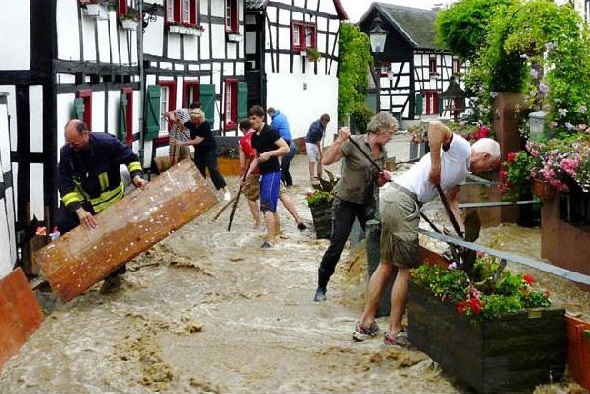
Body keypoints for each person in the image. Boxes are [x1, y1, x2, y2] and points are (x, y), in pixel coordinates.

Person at [352, 120, 501, 346]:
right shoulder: (461, 148)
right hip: (403, 200)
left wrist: (460, 232)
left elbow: (451, 200)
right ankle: (393, 332)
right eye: (490, 167)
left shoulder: (461, 171)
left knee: (386, 264)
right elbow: (434, 126)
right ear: (485, 157)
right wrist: (436, 164)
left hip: (393, 197)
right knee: (406, 268)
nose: (487, 171)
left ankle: (366, 324)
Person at [313, 112, 399, 302]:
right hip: (345, 202)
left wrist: (382, 180)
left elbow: (377, 182)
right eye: (390, 133)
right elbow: (326, 161)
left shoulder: (382, 152)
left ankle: (378, 290)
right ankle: (322, 286)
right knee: (337, 246)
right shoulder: (354, 143)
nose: (391, 137)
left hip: (367, 201)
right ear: (379, 130)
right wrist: (339, 140)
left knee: (378, 240)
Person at [56, 119, 148, 293]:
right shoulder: (66, 152)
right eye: (68, 143)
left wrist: (136, 176)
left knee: (113, 238)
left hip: (110, 199)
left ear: (85, 134)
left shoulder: (107, 143)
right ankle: (74, 271)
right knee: (63, 221)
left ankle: (114, 278)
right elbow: (64, 184)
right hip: (84, 202)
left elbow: (132, 159)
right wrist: (79, 210)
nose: (71, 146)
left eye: (74, 142)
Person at [239, 120, 307, 230]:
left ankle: (258, 222)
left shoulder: (242, 141)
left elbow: (242, 165)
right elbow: (279, 149)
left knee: (251, 198)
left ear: (243, 130)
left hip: (256, 173)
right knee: (282, 194)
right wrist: (278, 162)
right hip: (273, 170)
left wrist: (243, 176)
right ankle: (297, 218)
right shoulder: (264, 133)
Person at [244, 106, 290, 248]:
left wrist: (269, 153)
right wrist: (246, 176)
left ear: (262, 117)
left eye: (254, 118)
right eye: (250, 118)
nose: (252, 121)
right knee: (271, 207)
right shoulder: (254, 136)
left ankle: (270, 240)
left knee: (266, 207)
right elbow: (256, 159)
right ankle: (276, 235)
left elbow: (286, 149)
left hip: (273, 173)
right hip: (263, 174)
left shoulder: (270, 131)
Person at [178, 108, 231, 201]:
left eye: (194, 119)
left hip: (209, 150)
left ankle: (226, 192)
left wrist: (182, 143)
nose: (192, 121)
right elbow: (182, 126)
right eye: (192, 119)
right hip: (199, 151)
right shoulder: (192, 123)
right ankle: (203, 191)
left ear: (199, 118)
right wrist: (177, 119)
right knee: (199, 171)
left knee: (213, 170)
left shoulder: (205, 125)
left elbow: (197, 141)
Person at [162, 102, 201, 166]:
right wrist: (171, 116)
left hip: (185, 139)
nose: (199, 111)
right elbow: (168, 113)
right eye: (199, 109)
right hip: (175, 137)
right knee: (175, 157)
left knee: (186, 157)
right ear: (195, 108)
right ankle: (173, 171)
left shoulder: (194, 116)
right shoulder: (182, 111)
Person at [267, 107, 295, 187]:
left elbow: (272, 132)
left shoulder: (275, 120)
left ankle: (281, 185)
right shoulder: (283, 116)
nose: (269, 116)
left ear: (271, 113)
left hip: (284, 142)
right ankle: (289, 184)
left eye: (269, 115)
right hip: (290, 142)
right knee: (286, 165)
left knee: (281, 166)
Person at [305, 113, 330, 182]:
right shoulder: (316, 128)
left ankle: (319, 176)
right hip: (310, 143)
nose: (326, 125)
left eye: (327, 123)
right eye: (325, 123)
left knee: (320, 160)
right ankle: (312, 177)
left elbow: (320, 139)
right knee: (312, 161)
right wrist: (320, 152)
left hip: (317, 142)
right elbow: (317, 142)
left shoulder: (322, 123)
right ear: (322, 121)